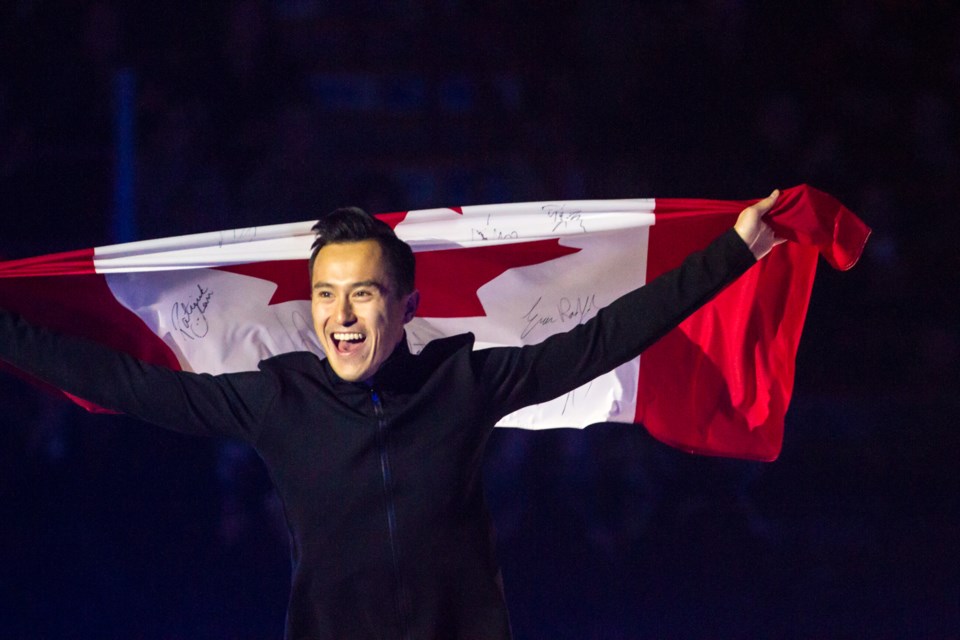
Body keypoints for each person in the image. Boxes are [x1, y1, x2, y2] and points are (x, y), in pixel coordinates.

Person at [0, 190, 783, 639]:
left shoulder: (464, 385)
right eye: (325, 295)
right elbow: (120, 380)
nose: (340, 314)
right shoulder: (277, 400)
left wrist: (734, 252)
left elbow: (604, 337)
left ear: (406, 307)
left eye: (363, 293)